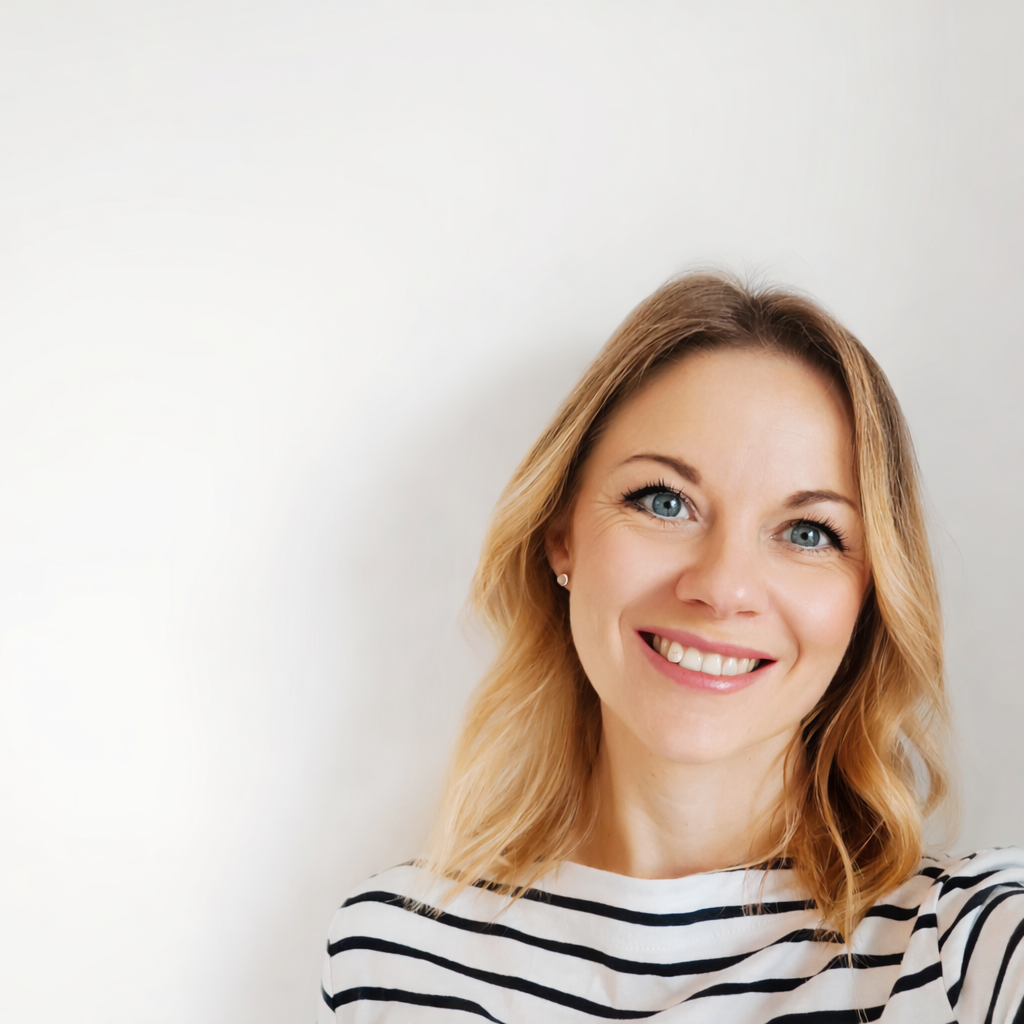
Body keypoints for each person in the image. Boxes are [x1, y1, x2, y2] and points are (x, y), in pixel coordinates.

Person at [318, 274, 1024, 1023]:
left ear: (868, 599)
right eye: (665, 502)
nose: (722, 587)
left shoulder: (966, 949)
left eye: (808, 532)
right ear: (562, 535)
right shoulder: (393, 955)